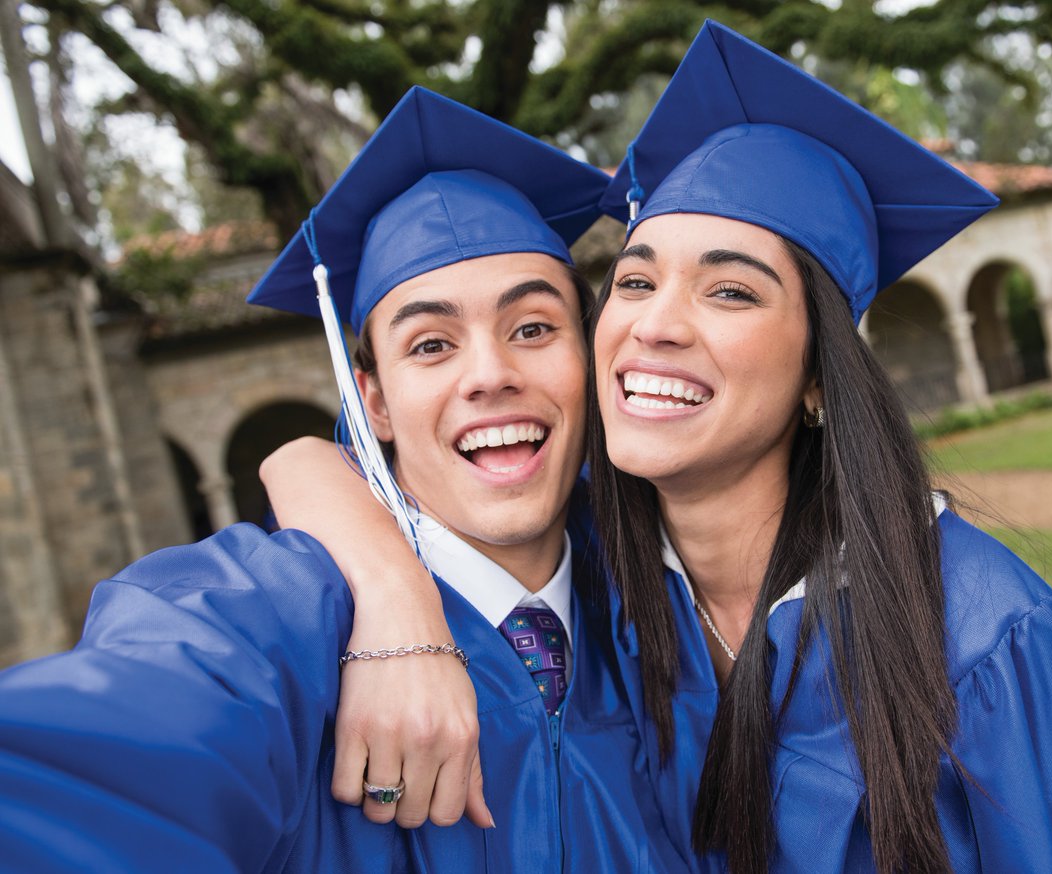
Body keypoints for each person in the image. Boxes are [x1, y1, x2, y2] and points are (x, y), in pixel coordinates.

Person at [265, 20, 1052, 874]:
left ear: (821, 378)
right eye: (635, 281)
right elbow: (317, 466)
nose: (655, 327)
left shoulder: (984, 636)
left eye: (732, 292)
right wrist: (395, 609)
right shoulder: (598, 586)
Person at [0, 87, 687, 874]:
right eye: (431, 345)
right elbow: (106, 755)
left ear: (590, 357)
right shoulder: (281, 618)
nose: (490, 375)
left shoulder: (668, 597)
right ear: (375, 403)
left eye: (533, 328)